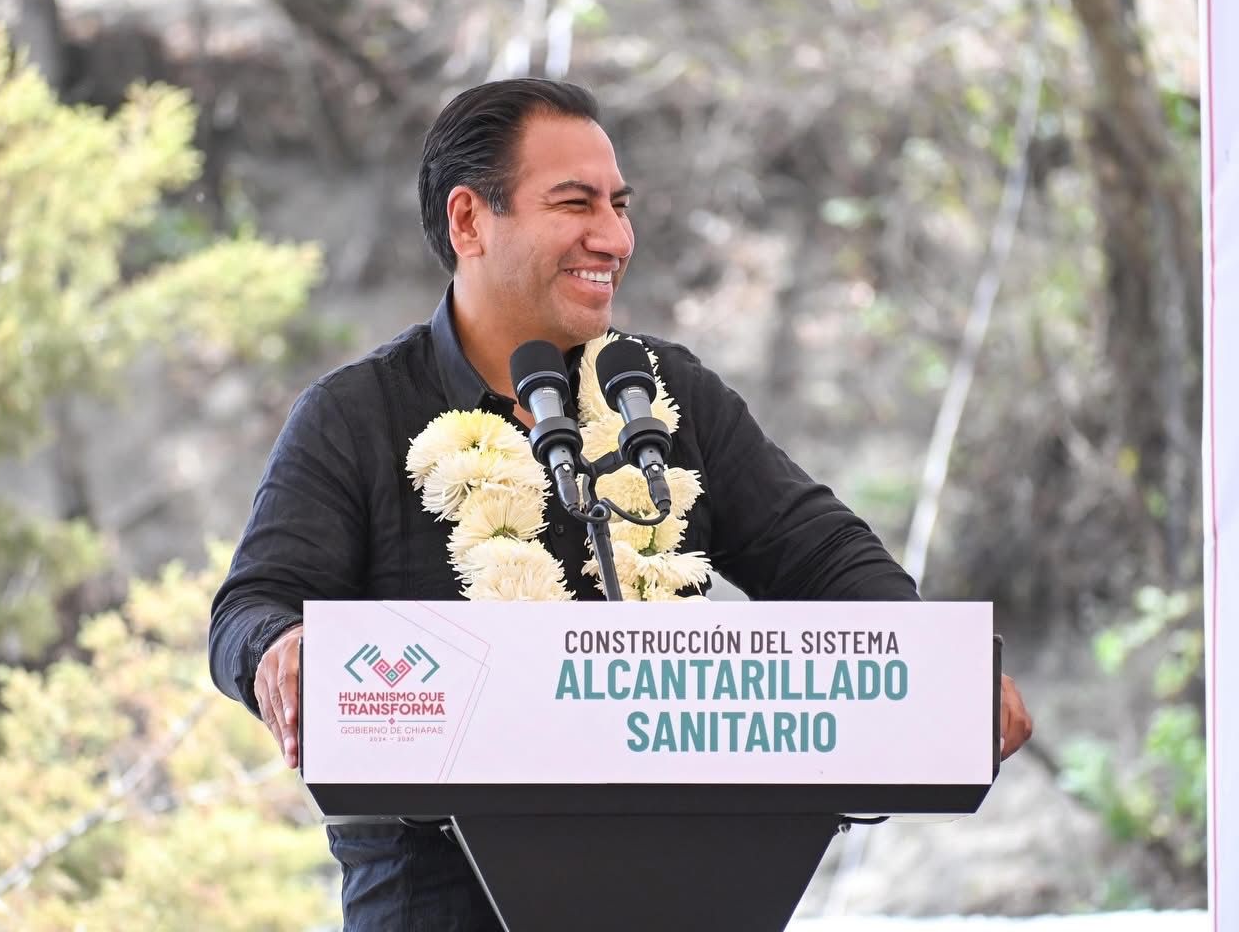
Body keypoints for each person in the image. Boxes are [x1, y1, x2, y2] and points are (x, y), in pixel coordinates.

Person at [209, 78, 1034, 930]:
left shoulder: (661, 395)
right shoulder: (357, 415)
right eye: (576, 204)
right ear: (469, 221)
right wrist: (280, 648)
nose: (614, 237)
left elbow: (822, 556)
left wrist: (940, 673)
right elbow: (250, 608)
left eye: (620, 205)